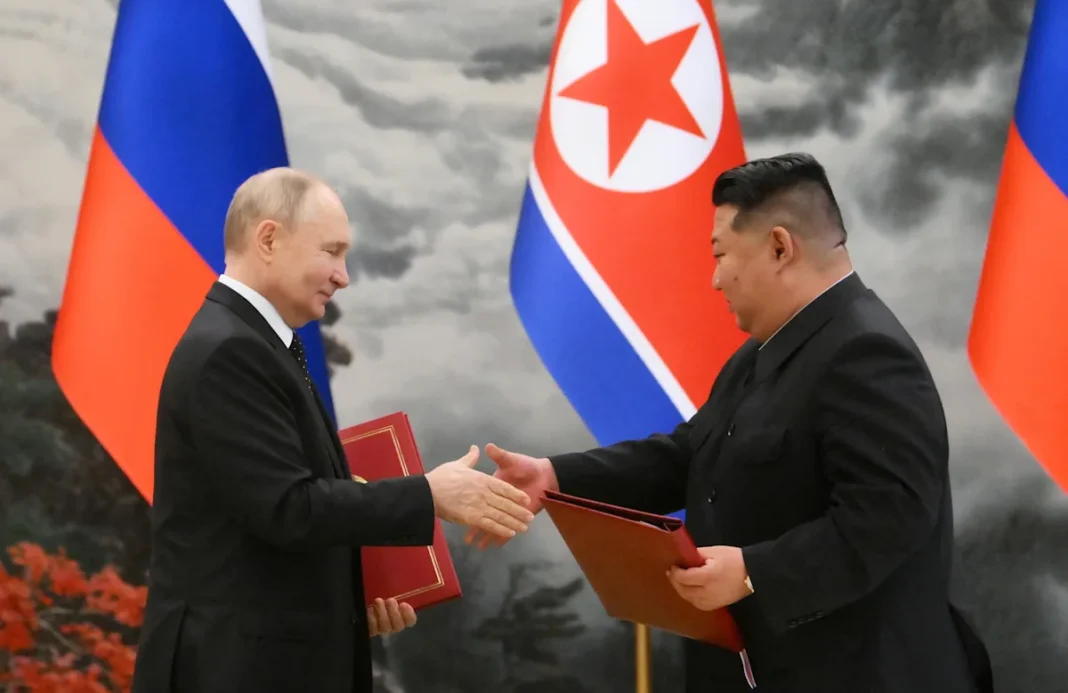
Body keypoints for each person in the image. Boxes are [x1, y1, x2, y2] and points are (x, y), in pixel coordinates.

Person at [470, 154, 992, 692]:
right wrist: (555, 477)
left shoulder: (868, 352)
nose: (716, 280)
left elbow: (887, 519)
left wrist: (751, 572)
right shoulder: (763, 352)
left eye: (721, 255)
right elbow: (691, 455)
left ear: (780, 247)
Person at [130, 167, 535, 693]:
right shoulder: (231, 351)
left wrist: (351, 605)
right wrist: (429, 494)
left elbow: (263, 526)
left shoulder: (253, 343)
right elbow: (289, 509)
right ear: (269, 239)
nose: (343, 276)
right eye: (331, 251)